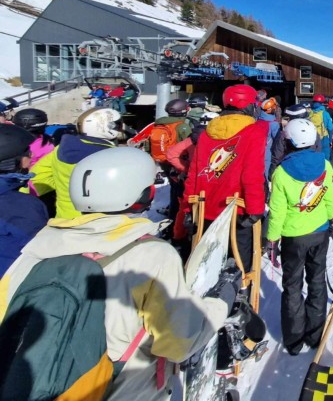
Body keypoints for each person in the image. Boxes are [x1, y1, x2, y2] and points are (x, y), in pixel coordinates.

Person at [0, 147, 231, 401]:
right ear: (146, 194)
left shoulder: (35, 249)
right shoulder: (152, 255)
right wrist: (220, 303)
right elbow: (179, 344)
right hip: (122, 391)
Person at [265, 118, 333, 356]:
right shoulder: (325, 165)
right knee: (317, 281)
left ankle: (294, 340)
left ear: (290, 142)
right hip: (319, 231)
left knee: (293, 285)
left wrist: (272, 239)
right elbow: (328, 197)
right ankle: (315, 335)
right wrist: (331, 218)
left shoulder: (281, 173)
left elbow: (277, 212)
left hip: (293, 237)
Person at [178, 85, 267, 272]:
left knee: (205, 267)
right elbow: (252, 174)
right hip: (237, 211)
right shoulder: (253, 131)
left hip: (205, 209)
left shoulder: (207, 132)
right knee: (239, 269)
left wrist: (187, 208)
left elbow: (194, 173)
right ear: (249, 105)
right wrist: (255, 210)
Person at [30, 107, 119, 219]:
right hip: (102, 222)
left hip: (65, 220)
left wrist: (62, 184)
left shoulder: (61, 148)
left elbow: (36, 178)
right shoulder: (113, 156)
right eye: (117, 124)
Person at [0, 123, 48, 276]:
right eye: (27, 152)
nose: (32, 156)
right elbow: (40, 254)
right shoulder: (22, 206)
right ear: (12, 161)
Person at [145, 99, 193, 226]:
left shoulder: (159, 125)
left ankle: (172, 218)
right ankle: (176, 224)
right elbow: (189, 146)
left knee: (174, 192)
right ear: (184, 110)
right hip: (178, 164)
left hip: (165, 163)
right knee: (181, 197)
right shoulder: (182, 126)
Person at [308, 94, 333, 162]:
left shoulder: (310, 113)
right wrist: (330, 140)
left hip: (312, 138)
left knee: (314, 157)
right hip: (323, 137)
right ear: (322, 103)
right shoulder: (325, 114)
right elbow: (330, 128)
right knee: (326, 157)